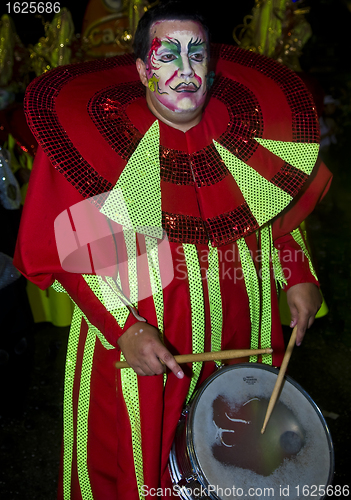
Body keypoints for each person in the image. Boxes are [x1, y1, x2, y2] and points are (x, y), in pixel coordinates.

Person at [14, 1, 332, 498]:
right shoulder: (92, 145)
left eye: (197, 55)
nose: (185, 71)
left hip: (242, 337)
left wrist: (298, 275)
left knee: (232, 463)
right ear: (142, 68)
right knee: (134, 468)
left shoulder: (246, 133)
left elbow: (276, 220)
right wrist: (124, 329)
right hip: (141, 348)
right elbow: (75, 257)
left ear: (212, 65)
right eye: (168, 55)